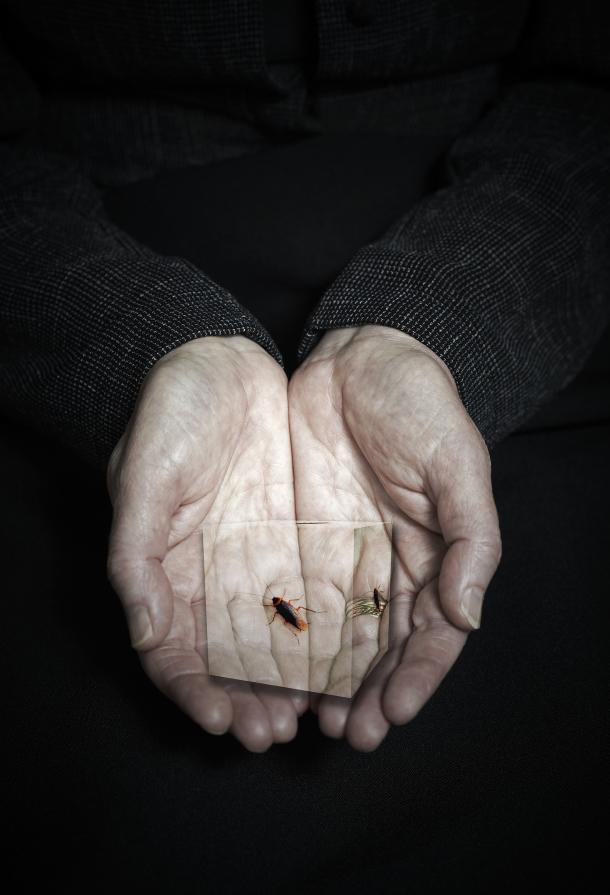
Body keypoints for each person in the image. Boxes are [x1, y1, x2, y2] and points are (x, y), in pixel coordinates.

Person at [2, 2, 609, 888]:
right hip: (90, 264)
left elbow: (592, 102)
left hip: (502, 253)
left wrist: (436, 327)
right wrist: (141, 347)